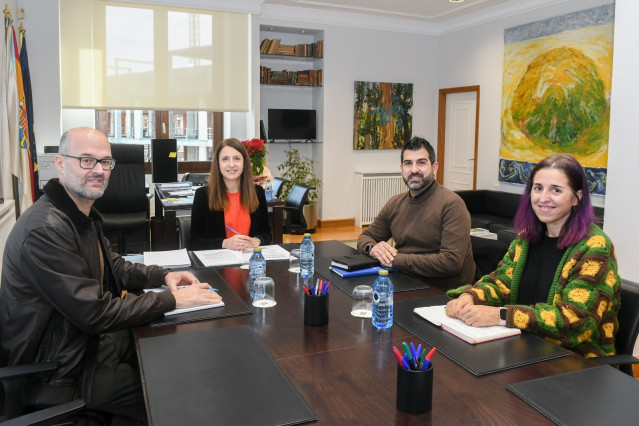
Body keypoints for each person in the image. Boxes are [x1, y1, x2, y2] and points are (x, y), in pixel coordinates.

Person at [0, 127, 222, 424]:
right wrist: (174, 301)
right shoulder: (46, 230)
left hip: (85, 343)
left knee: (172, 351)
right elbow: (94, 312)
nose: (99, 170)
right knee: (176, 394)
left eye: (105, 162)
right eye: (87, 160)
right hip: (62, 370)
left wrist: (163, 275)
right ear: (61, 163)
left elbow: (114, 266)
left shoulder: (79, 214)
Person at [445, 154, 621, 358]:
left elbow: (575, 323)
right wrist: (470, 296)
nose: (543, 198)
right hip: (525, 348)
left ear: (576, 197)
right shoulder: (526, 238)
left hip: (576, 362)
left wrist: (501, 315)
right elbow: (501, 283)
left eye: (556, 190)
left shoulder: (596, 247)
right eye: (538, 188)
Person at [357, 137, 476, 290]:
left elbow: (451, 262)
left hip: (444, 293)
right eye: (408, 163)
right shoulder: (395, 203)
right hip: (405, 281)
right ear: (402, 168)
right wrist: (372, 248)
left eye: (421, 162)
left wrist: (396, 260)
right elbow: (365, 237)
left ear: (434, 167)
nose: (414, 170)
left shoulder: (452, 205)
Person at [190, 138, 271, 250]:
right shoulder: (203, 195)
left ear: (244, 163)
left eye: (237, 158)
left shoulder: (258, 193)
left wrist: (256, 240)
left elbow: (266, 234)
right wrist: (224, 244)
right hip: (217, 263)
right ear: (218, 164)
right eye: (225, 159)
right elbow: (194, 243)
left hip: (250, 261)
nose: (231, 164)